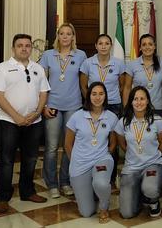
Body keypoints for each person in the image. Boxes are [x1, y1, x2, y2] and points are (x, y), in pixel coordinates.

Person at [0, 34, 50, 213]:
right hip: (9, 121)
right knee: (7, 160)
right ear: (13, 48)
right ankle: (3, 197)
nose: (24, 48)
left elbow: (44, 92)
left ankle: (27, 191)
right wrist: (16, 116)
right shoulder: (2, 68)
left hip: (34, 121)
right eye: (20, 45)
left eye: (27, 45)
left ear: (31, 48)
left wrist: (37, 112)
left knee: (31, 158)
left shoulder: (38, 68)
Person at [40, 23, 87, 199]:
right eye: (62, 33)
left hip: (73, 107)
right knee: (52, 147)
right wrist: (43, 106)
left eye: (69, 34)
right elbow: (41, 83)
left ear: (73, 37)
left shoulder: (81, 55)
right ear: (57, 36)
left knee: (70, 146)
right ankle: (52, 184)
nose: (65, 36)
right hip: (52, 105)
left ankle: (65, 182)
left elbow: (84, 82)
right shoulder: (47, 55)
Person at [64, 82, 118, 223]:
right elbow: (67, 145)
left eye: (101, 94)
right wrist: (75, 160)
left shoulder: (111, 117)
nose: (97, 97)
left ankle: (104, 207)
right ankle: (93, 193)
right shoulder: (77, 116)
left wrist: (106, 155)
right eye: (94, 94)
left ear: (105, 96)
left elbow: (113, 143)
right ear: (88, 96)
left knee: (101, 183)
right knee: (86, 212)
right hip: (80, 164)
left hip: (101, 160)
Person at [116, 86, 162, 218]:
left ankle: (153, 201)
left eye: (142, 99)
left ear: (148, 101)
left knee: (150, 188)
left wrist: (154, 156)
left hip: (153, 164)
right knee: (127, 213)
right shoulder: (123, 122)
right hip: (131, 167)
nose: (139, 102)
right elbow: (122, 143)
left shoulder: (157, 121)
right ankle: (138, 196)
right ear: (131, 102)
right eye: (135, 99)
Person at [80, 34, 126, 116]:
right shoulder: (87, 63)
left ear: (111, 46)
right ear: (96, 46)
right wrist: (90, 100)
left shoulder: (119, 63)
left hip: (113, 104)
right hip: (94, 103)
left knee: (113, 128)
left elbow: (122, 85)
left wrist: (112, 96)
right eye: (100, 44)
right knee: (94, 128)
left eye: (107, 44)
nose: (103, 46)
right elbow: (83, 86)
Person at [124, 34, 162, 117]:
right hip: (138, 106)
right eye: (144, 45)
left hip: (157, 108)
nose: (147, 47)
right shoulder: (132, 64)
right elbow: (127, 88)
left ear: (154, 46)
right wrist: (126, 109)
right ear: (140, 48)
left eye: (150, 44)